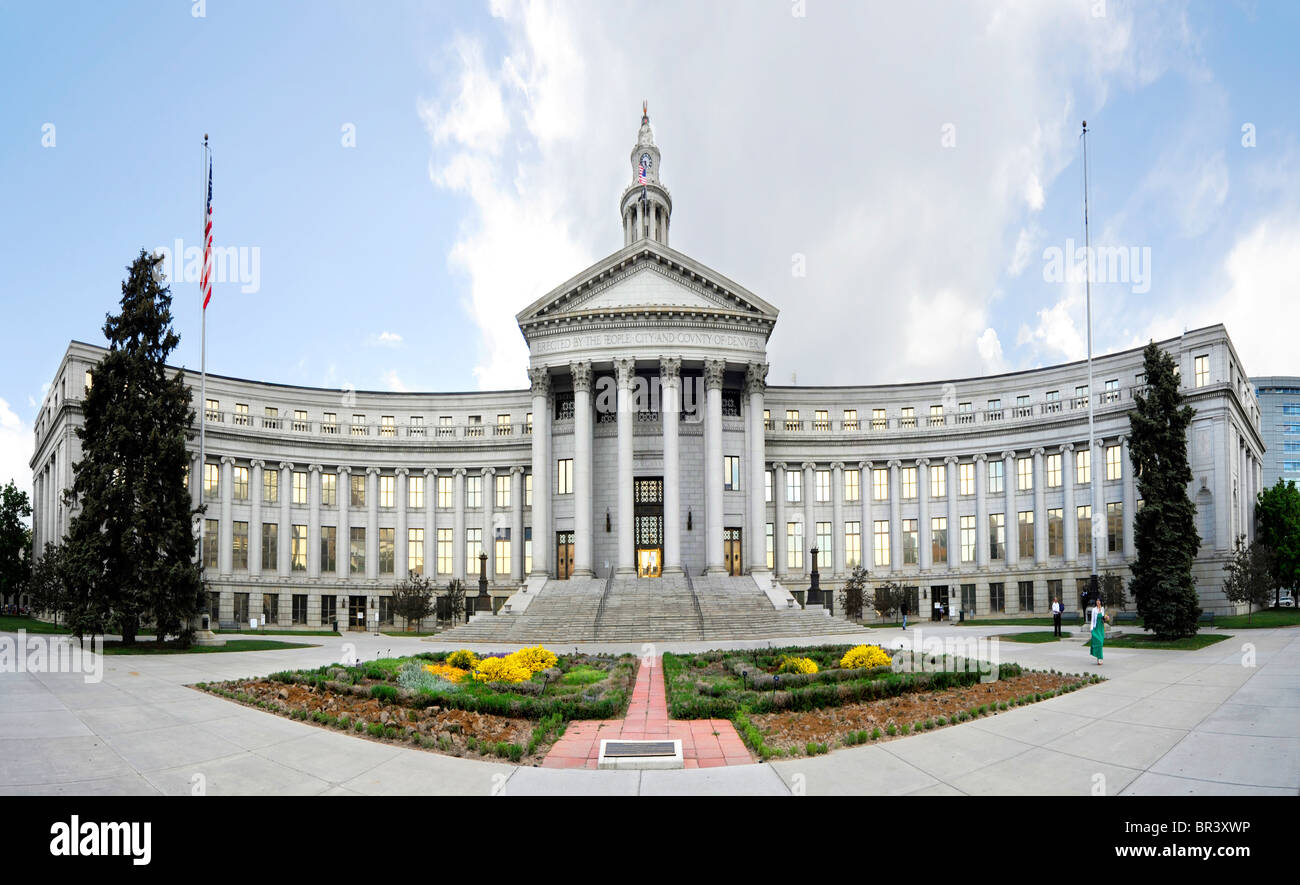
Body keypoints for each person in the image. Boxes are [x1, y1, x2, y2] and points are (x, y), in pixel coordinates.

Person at [1089, 596, 1110, 665]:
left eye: (1099, 601)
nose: (1098, 602)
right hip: (1096, 627)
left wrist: (1106, 618)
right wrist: (1091, 629)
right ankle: (1099, 658)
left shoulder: (1102, 609)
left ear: (1101, 602)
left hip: (1101, 628)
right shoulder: (1094, 609)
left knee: (1101, 643)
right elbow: (1092, 620)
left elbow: (1103, 618)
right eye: (1097, 601)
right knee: (1097, 642)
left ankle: (1099, 658)